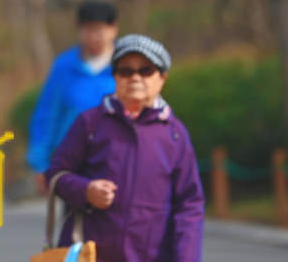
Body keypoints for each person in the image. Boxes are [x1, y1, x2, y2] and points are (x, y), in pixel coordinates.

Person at [44, 34, 204, 262]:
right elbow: (55, 176)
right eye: (125, 71)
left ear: (162, 78)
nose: (135, 78)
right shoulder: (90, 123)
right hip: (90, 256)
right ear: (115, 77)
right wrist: (86, 190)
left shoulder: (175, 134)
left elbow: (189, 206)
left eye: (146, 70)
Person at [26, 0, 119, 191]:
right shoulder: (65, 66)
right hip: (73, 163)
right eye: (87, 30)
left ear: (113, 29)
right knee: (75, 219)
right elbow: (47, 115)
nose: (94, 37)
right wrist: (40, 163)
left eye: (99, 30)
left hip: (116, 161)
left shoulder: (125, 66)